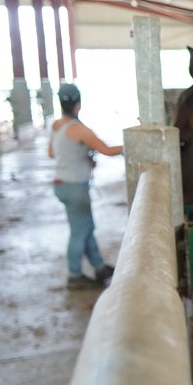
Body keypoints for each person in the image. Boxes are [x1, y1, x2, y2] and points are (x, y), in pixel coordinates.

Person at [48, 83, 123, 291]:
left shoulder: (57, 126)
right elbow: (107, 150)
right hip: (75, 187)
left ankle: (99, 267)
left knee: (86, 227)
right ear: (78, 104)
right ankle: (74, 275)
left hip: (61, 184)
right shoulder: (80, 129)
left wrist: (76, 153)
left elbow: (51, 153)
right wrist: (130, 146)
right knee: (79, 232)